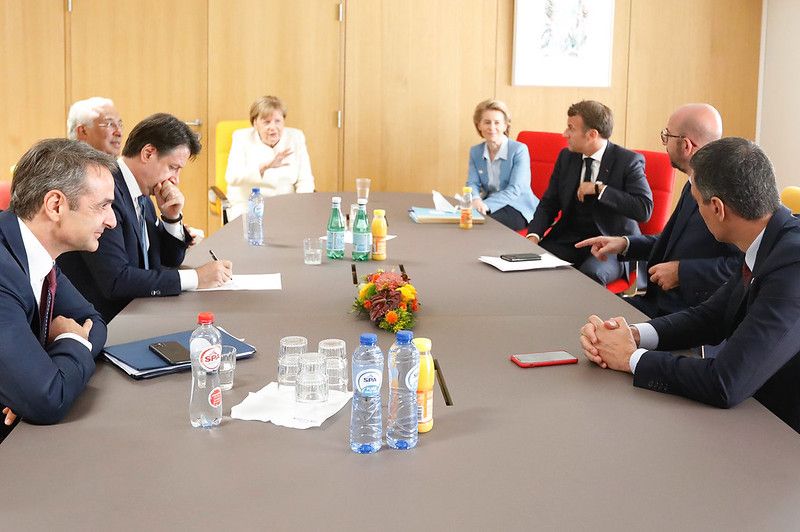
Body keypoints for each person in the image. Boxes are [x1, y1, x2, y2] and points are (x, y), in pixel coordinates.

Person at [579, 137, 800, 434]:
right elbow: (711, 317)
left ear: (718, 208)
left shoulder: (791, 266)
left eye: (697, 203)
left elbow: (725, 382)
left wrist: (629, 358)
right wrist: (633, 335)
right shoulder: (771, 239)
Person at [58, 113, 233, 322]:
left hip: (138, 310)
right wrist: (196, 277)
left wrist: (171, 217)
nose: (175, 180)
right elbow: (117, 280)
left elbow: (168, 261)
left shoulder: (142, 197)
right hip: (105, 321)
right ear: (148, 153)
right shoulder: (107, 192)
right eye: (173, 167)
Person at [575, 104, 741, 316]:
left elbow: (742, 266)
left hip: (688, 315)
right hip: (656, 301)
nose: (664, 143)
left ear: (686, 145)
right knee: (583, 310)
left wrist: (682, 273)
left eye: (667, 136)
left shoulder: (726, 193)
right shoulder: (694, 181)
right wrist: (624, 243)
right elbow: (671, 241)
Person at [0, 139, 116, 442]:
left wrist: (33, 376)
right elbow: (48, 399)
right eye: (103, 206)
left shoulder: (36, 253)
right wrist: (68, 344)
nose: (112, 220)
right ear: (55, 205)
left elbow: (94, 321)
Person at [525, 100, 653, 285]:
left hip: (608, 244)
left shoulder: (628, 161)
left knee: (590, 277)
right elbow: (549, 202)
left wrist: (600, 189)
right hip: (569, 239)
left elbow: (644, 209)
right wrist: (534, 235)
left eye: (571, 128)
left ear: (592, 134)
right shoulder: (566, 157)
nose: (564, 134)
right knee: (532, 266)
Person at [68, 97, 205, 245]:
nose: (118, 131)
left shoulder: (142, 193)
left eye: (120, 124)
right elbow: (115, 268)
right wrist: (198, 270)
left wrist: (172, 218)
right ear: (148, 154)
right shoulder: (101, 189)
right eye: (109, 124)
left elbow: (164, 258)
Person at [225, 95, 315, 218]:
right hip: (248, 206)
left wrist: (300, 205)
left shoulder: (295, 137)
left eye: (278, 121)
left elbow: (305, 180)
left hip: (287, 206)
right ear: (255, 123)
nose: (273, 127)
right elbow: (232, 177)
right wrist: (264, 167)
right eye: (266, 122)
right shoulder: (241, 138)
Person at [466, 99, 539, 231]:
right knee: (465, 221)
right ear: (479, 125)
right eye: (487, 122)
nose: (492, 127)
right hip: (485, 205)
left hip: (517, 206)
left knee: (483, 226)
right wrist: (476, 199)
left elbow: (516, 189)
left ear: (505, 126)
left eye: (497, 122)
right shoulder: (475, 151)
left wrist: (485, 206)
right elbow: (472, 183)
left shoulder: (519, 150)